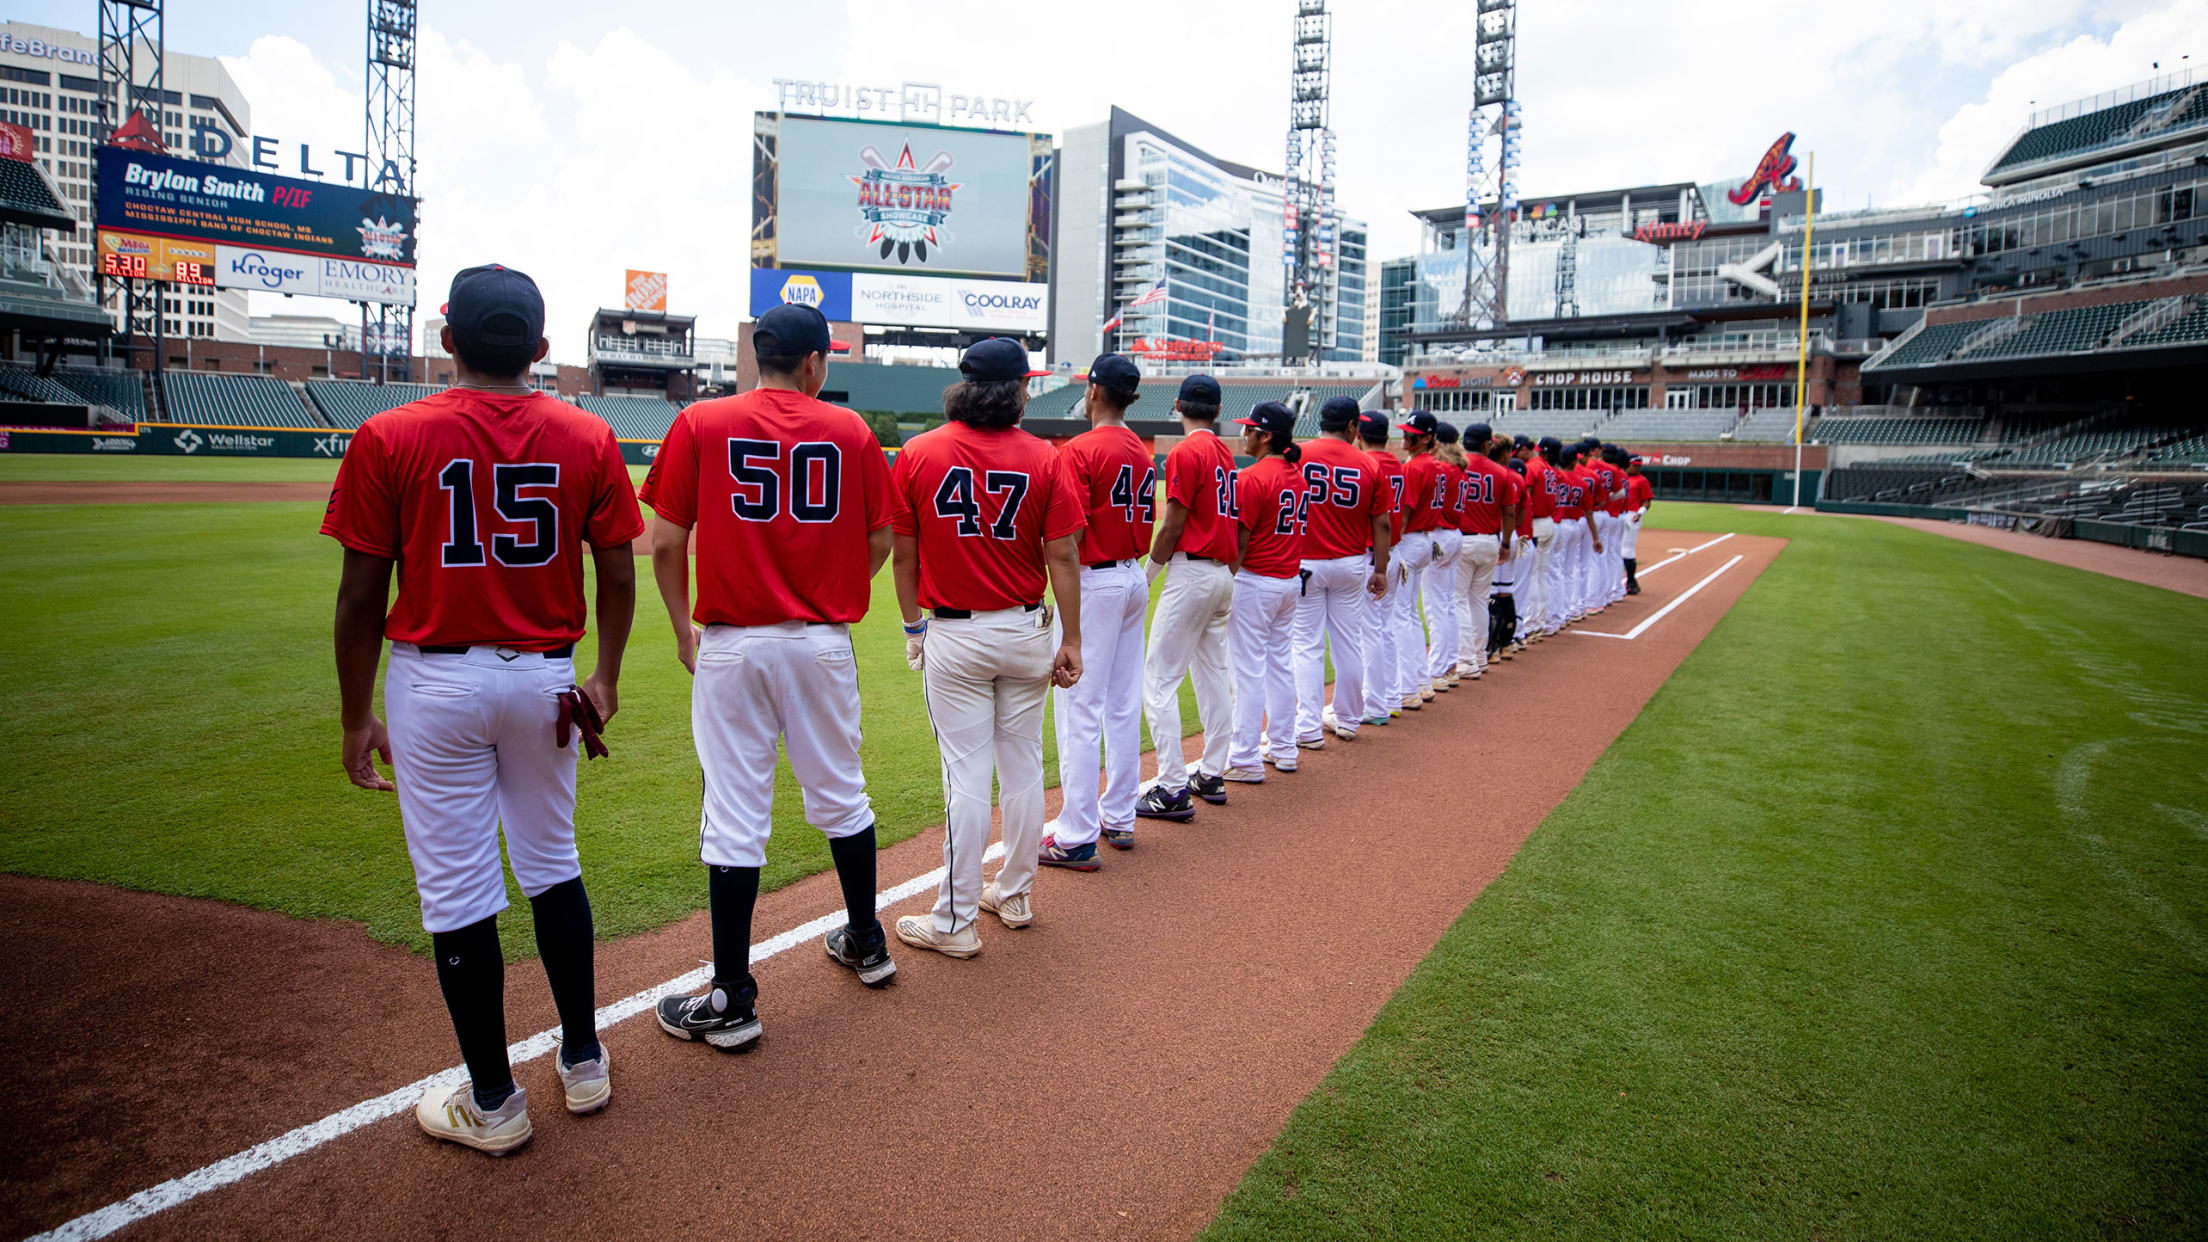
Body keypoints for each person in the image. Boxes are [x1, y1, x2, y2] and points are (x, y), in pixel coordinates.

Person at [324, 264, 641, 1155]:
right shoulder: (588, 434)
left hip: (435, 681)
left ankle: (495, 1104)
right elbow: (617, 573)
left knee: (461, 889)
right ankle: (583, 1061)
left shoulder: (389, 433)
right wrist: (606, 676)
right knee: (551, 862)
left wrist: (356, 718)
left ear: (445, 336)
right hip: (546, 676)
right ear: (542, 350)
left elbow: (359, 599)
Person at [641, 302, 902, 1058]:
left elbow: (665, 542)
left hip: (732, 644)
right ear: (816, 362)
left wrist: (681, 627)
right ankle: (866, 939)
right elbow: (879, 538)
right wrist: (833, 589)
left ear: (757, 356)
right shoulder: (851, 432)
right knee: (842, 793)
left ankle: (732, 998)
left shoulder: (700, 422)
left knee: (734, 812)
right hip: (821, 641)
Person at [889, 338, 1085, 958]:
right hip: (1027, 629)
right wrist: (1073, 637)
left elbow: (903, 551)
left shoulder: (920, 451)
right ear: (1020, 390)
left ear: (963, 385)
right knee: (1022, 762)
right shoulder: (1046, 458)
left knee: (967, 774)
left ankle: (954, 921)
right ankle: (1017, 893)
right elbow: (1063, 554)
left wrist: (911, 627)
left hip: (955, 632)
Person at [1043, 353, 1154, 865]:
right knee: (1123, 702)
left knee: (1079, 706)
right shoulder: (1140, 449)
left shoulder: (1080, 449)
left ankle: (1076, 833)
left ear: (1092, 391)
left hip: (1097, 579)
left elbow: (1072, 536)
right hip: (1132, 575)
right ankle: (1120, 815)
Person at [1139, 374, 1238, 818]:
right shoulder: (1224, 453)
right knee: (1214, 676)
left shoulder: (1185, 451)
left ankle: (1174, 786)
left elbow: (1173, 523)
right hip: (1221, 574)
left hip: (1192, 571)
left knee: (1158, 681)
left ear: (1177, 405)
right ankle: (1212, 771)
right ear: (1217, 411)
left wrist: (1148, 576)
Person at [1293, 397, 1390, 747]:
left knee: (1306, 645)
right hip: (1351, 562)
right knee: (1349, 643)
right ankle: (1348, 719)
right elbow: (1381, 522)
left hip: (1305, 562)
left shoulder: (1297, 454)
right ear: (1351, 426)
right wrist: (1381, 568)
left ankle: (1306, 728)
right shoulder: (1368, 463)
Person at [1223, 402, 1306, 782]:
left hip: (1256, 580)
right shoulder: (1297, 475)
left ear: (1267, 435)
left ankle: (1245, 758)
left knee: (1248, 671)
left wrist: (1226, 584)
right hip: (1288, 581)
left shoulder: (1253, 477)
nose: (1245, 434)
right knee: (1279, 665)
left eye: (1251, 429)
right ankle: (1285, 748)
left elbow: (1240, 542)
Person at [1453, 424, 1518, 680]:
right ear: (1486, 444)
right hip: (1490, 540)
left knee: (1458, 600)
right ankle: (1479, 656)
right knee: (1479, 600)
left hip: (1462, 539)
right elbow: (1510, 511)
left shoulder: (1456, 466)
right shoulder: (1501, 471)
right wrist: (1506, 542)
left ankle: (1466, 659)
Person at [1391, 411, 1445, 710]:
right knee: (1410, 614)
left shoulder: (1414, 467)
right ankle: (1421, 682)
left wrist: (1392, 548)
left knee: (1401, 615)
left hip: (1411, 539)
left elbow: (1406, 511)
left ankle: (1407, 687)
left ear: (1426, 437)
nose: (1405, 436)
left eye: (1412, 432)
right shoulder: (1436, 465)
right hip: (1425, 539)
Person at [1356, 410, 1407, 727]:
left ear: (1358, 435)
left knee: (1369, 631)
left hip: (1372, 556)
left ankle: (1374, 703)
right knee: (1385, 627)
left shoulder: (1367, 465)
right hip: (1393, 551)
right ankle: (1390, 696)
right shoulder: (1397, 464)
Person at [1424, 421, 1467, 693]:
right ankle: (1449, 664)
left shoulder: (1442, 468)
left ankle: (1440, 667)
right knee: (1447, 603)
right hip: (1453, 534)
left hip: (1439, 535)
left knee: (1436, 606)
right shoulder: (1460, 468)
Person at [1521, 436, 1560, 640]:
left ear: (1543, 451)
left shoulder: (1533, 467)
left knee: (1531, 576)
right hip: (1548, 523)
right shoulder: (1550, 469)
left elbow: (1526, 498)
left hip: (1535, 524)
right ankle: (1540, 622)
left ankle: (1530, 624)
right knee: (1541, 575)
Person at [1623, 454, 1655, 594]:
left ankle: (1631, 582)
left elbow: (1647, 501)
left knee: (1627, 548)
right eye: (1634, 465)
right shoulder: (1621, 477)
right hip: (1618, 514)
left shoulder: (1642, 481)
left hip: (1632, 515)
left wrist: (1640, 513)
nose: (1636, 468)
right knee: (1615, 550)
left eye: (1638, 465)